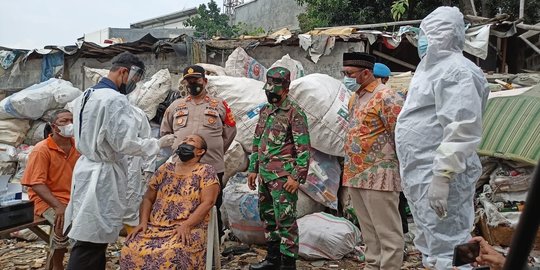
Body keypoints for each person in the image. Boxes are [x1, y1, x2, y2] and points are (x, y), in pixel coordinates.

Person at [395, 6, 490, 269]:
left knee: (453, 243)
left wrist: (443, 174)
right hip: (422, 172)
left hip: (440, 175)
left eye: (426, 34)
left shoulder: (457, 71)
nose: (421, 40)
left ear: (442, 35)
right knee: (431, 243)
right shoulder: (429, 70)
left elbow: (462, 126)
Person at [64, 52, 176, 270]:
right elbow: (125, 143)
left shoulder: (87, 95)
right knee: (92, 239)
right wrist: (158, 143)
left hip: (87, 169)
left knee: (92, 235)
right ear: (124, 72)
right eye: (134, 80)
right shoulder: (114, 99)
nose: (133, 85)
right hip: (102, 174)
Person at [342, 52, 405, 269]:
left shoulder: (386, 96)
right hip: (356, 174)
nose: (346, 78)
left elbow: (400, 135)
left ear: (366, 73)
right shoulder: (355, 97)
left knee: (388, 233)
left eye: (349, 73)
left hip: (380, 174)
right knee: (369, 234)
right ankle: (372, 265)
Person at [120, 134, 220, 270]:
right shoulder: (165, 169)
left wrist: (187, 225)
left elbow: (208, 203)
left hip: (188, 227)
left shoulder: (206, 171)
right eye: (184, 140)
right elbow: (148, 198)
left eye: (191, 141)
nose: (185, 142)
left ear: (200, 151)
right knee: (130, 247)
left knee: (173, 253)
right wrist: (143, 222)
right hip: (156, 226)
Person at [161, 64, 237, 237]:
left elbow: (231, 131)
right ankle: (182, 243)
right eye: (189, 81)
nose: (192, 83)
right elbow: (166, 133)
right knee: (181, 205)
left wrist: (215, 149)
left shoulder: (219, 105)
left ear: (205, 81)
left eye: (196, 79)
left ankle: (211, 248)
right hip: (181, 167)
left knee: (211, 207)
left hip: (212, 166)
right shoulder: (175, 106)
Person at [247, 67, 311, 270]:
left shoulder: (294, 113)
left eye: (274, 90)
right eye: (268, 89)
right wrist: (253, 168)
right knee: (268, 218)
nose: (270, 93)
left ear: (286, 89)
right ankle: (272, 260)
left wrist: (296, 177)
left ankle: (288, 264)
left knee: (286, 221)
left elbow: (303, 148)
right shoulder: (265, 110)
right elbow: (257, 140)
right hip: (265, 175)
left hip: (283, 177)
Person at [21, 109, 80, 270]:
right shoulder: (42, 149)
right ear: (54, 126)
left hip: (71, 197)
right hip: (46, 198)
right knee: (62, 222)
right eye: (64, 121)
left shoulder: (78, 146)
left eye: (71, 120)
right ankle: (56, 265)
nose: (69, 124)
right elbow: (37, 184)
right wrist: (57, 206)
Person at [123, 105, 157, 233]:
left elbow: (147, 140)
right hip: (109, 164)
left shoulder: (137, 114)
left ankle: (131, 240)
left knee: (132, 201)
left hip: (134, 163)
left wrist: (148, 168)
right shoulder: (104, 110)